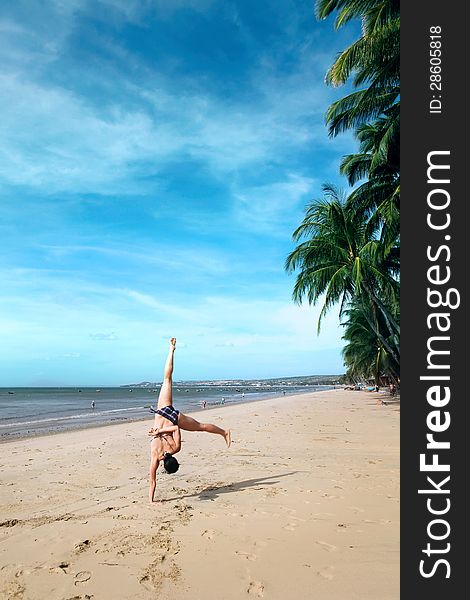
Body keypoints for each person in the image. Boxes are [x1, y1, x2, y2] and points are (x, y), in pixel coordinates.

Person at [148, 338, 231, 503]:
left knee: (167, 380)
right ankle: (223, 432)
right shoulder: (156, 456)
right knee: (166, 380)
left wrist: (152, 503)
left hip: (170, 415)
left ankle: (224, 432)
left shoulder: (175, 449)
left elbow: (153, 480)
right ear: (163, 465)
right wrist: (159, 431)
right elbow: (175, 429)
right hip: (168, 414)